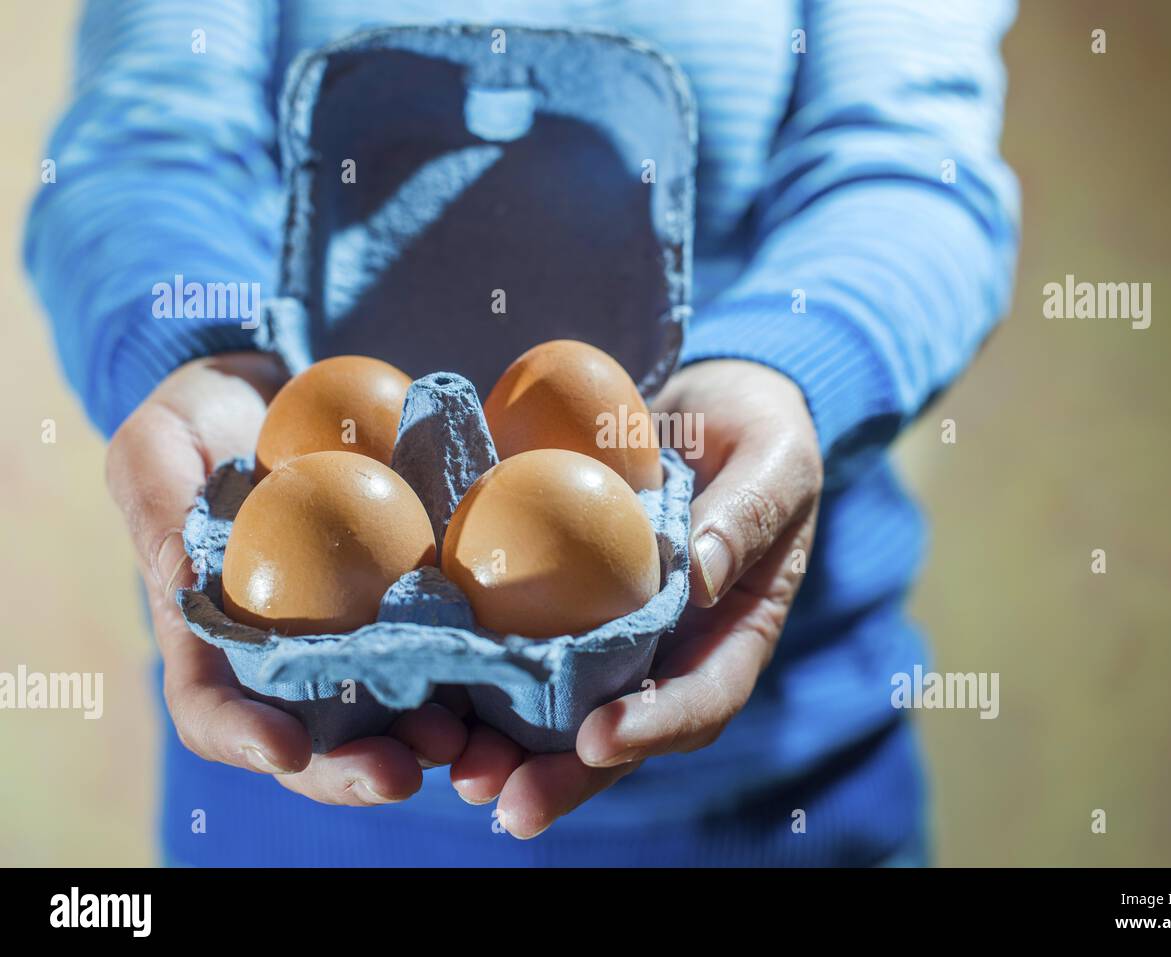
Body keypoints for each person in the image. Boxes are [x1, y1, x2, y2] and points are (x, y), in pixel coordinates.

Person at [25, 0, 1019, 866]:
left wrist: (781, 374)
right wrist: (198, 357)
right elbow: (138, 153)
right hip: (281, 827)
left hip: (782, 803)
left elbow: (912, 170)